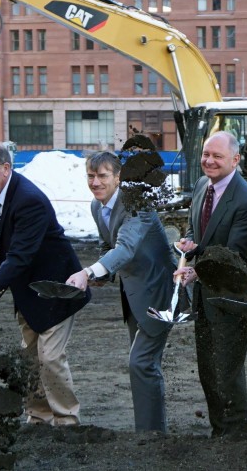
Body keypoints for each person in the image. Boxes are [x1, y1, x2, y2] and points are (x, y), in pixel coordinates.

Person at [0, 140, 90, 426]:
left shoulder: (28, 199)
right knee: (29, 358)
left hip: (57, 289)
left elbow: (18, 257)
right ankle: (38, 417)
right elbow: (11, 245)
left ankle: (67, 422)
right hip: (28, 291)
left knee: (50, 358)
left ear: (6, 168)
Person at [64, 151, 175, 433]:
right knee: (143, 365)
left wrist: (89, 272)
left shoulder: (138, 205)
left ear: (118, 177)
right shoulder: (96, 206)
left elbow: (125, 247)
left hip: (159, 292)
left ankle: (151, 436)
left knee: (141, 363)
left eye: (102, 176)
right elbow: (108, 245)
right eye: (91, 176)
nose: (96, 182)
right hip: (133, 293)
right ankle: (149, 432)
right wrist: (106, 273)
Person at [172, 132, 247, 437]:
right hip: (203, 297)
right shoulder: (202, 186)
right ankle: (218, 431)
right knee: (207, 370)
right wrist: (188, 243)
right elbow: (196, 226)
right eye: (205, 154)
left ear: (235, 160)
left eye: (217, 156)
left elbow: (234, 255)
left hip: (228, 298)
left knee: (227, 370)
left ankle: (237, 435)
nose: (208, 161)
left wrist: (196, 266)